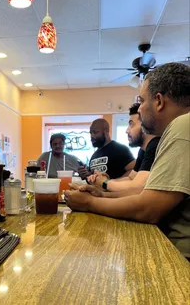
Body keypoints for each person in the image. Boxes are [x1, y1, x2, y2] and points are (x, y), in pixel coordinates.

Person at [65, 62, 190, 258]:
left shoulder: (183, 126)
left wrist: (89, 203)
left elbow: (149, 208)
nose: (140, 108)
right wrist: (101, 195)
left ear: (159, 101)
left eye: (142, 100)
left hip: (180, 257)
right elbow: (144, 192)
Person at [88, 103, 160, 193]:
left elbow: (137, 187)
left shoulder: (155, 146)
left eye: (131, 124)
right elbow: (131, 178)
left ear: (145, 124)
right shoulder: (143, 151)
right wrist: (106, 181)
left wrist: (104, 183)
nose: (127, 130)